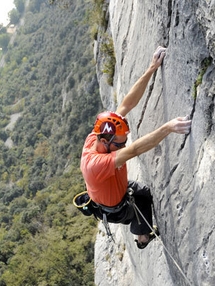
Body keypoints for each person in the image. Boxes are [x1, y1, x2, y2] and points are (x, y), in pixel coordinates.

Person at [80, 46, 192, 249]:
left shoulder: (97, 137)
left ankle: (141, 228)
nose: (123, 145)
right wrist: (168, 128)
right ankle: (143, 238)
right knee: (142, 198)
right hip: (116, 208)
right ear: (106, 141)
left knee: (142, 192)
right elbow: (134, 151)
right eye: (120, 143)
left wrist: (151, 68)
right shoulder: (94, 164)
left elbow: (126, 105)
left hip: (115, 189)